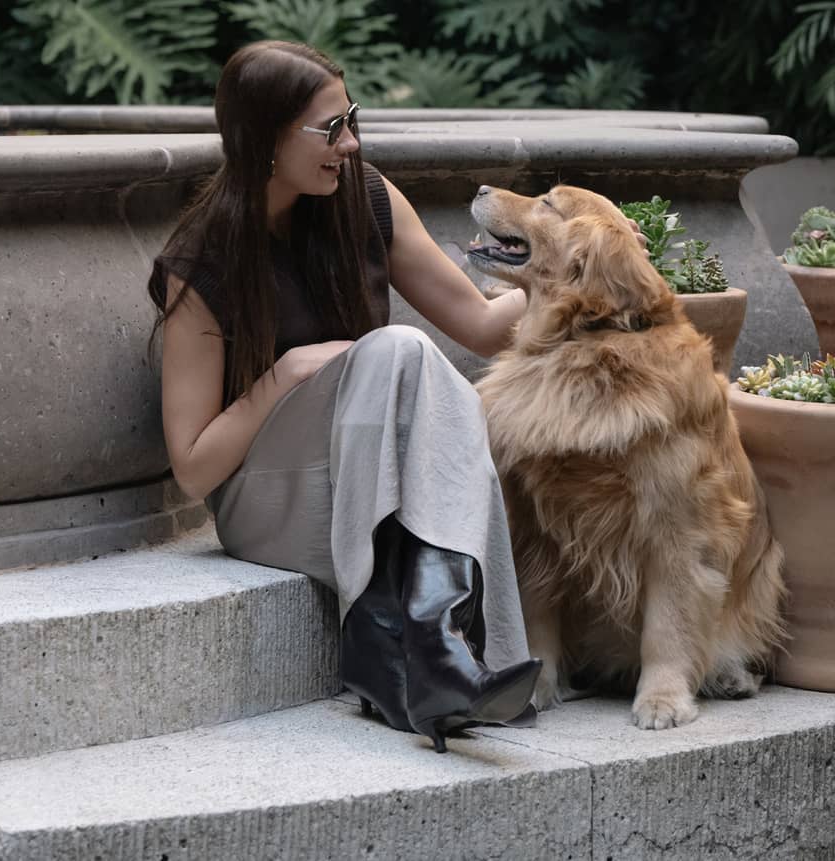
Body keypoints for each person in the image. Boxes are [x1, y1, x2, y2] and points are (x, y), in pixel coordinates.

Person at [147, 41, 551, 753]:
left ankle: (432, 653)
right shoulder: (200, 263)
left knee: (407, 354)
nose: (352, 142)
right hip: (267, 501)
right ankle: (435, 645)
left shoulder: (364, 197)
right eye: (330, 129)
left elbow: (485, 327)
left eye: (352, 118)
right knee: (400, 351)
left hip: (368, 476)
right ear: (264, 140)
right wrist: (287, 372)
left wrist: (574, 267)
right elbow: (195, 467)